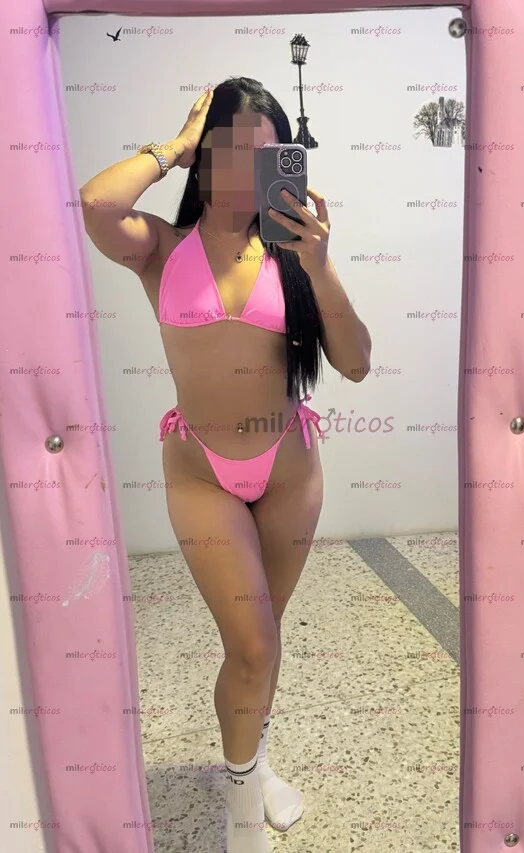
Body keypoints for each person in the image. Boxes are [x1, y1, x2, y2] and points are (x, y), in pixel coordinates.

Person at [79, 76, 371, 852]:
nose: (246, 166)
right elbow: (97, 204)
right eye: (230, 148)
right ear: (204, 157)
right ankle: (242, 805)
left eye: (265, 152)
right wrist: (172, 146)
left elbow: (356, 363)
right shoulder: (162, 248)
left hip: (289, 469)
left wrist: (321, 264)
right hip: (200, 471)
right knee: (252, 646)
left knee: (263, 636)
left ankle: (255, 760)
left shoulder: (293, 254)